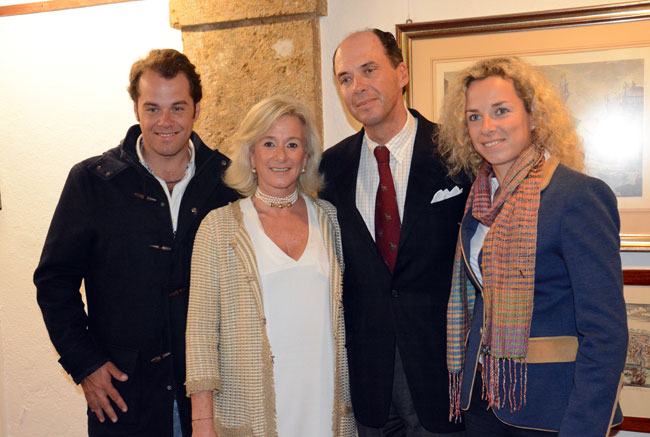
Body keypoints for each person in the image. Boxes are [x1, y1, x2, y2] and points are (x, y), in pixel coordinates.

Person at [34, 49, 239, 436]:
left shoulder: (228, 183)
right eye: (153, 108)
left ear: (197, 109)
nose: (165, 122)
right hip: (126, 399)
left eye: (177, 108)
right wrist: (85, 364)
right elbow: (54, 282)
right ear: (135, 109)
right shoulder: (92, 182)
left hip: (215, 398)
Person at [438, 57, 628, 436]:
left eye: (501, 111)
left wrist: (582, 429)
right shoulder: (479, 200)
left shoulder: (577, 196)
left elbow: (606, 334)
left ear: (534, 117)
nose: (487, 127)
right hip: (482, 403)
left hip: (550, 412)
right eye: (474, 116)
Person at [319, 29, 469, 436]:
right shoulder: (330, 169)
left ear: (402, 73)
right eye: (345, 78)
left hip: (444, 375)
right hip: (368, 382)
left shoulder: (457, 153)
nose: (357, 86)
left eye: (369, 70)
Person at [185, 95, 355, 437]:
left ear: (306, 157)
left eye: (292, 144)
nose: (280, 156)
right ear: (251, 155)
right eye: (268, 143)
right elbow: (200, 333)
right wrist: (201, 422)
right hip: (251, 411)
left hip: (325, 404)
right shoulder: (218, 228)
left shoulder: (331, 220)